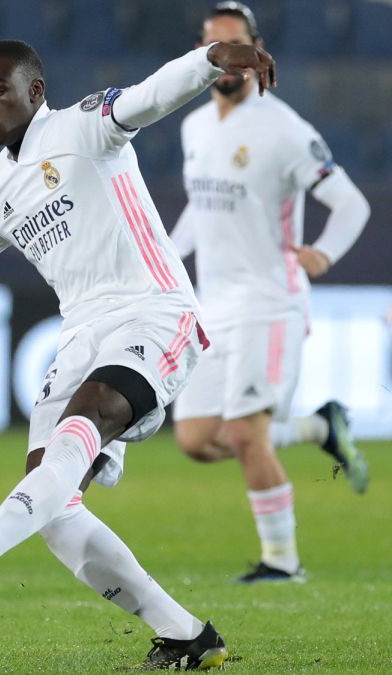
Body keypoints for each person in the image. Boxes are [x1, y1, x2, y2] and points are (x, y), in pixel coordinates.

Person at [0, 38, 276, 669]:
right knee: (51, 503)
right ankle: (187, 634)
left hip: (154, 310)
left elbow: (150, 96)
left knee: (88, 421)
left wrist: (210, 56)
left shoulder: (84, 126)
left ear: (35, 91)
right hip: (81, 334)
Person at [169, 2, 371, 584]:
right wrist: (164, 258)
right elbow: (199, 212)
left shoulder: (284, 129)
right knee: (196, 437)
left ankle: (283, 562)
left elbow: (351, 204)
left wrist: (324, 252)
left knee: (245, 433)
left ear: (257, 55)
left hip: (269, 303)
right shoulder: (193, 125)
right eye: (216, 48)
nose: (227, 61)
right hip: (216, 306)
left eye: (238, 48)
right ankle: (318, 428)